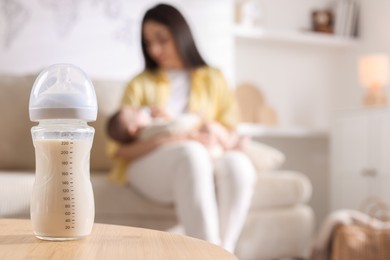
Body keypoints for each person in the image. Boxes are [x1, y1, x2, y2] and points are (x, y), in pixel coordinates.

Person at [107, 3, 257, 253]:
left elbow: (230, 129)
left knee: (239, 165)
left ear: (180, 33)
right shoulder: (140, 84)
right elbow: (118, 149)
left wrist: (214, 134)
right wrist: (175, 140)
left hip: (209, 154)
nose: (154, 49)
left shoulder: (214, 78)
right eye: (148, 43)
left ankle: (225, 251)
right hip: (150, 164)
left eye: (161, 39)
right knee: (190, 153)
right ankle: (205, 253)